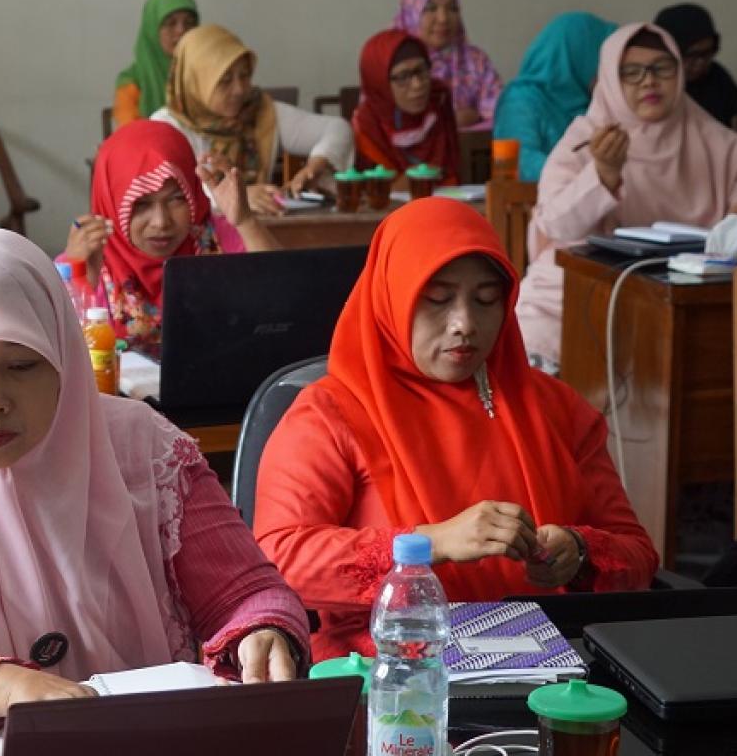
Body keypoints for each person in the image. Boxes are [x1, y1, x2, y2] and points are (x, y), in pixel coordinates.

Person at [0, 228, 312, 730]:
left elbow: (246, 591)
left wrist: (262, 630)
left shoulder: (144, 448)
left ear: (64, 359)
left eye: (21, 365)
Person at [253, 198, 659, 659]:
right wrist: (430, 543)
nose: (465, 324)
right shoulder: (331, 414)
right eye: (438, 300)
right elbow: (276, 558)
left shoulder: (555, 408)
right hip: (392, 677)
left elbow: (639, 554)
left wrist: (580, 552)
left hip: (545, 669)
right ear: (393, 297)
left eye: (487, 300)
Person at [516, 23, 737, 371]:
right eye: (631, 73)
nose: (648, 82)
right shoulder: (585, 139)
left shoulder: (721, 144)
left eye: (661, 69)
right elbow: (555, 226)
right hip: (593, 285)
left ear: (679, 72)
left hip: (687, 291)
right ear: (610, 80)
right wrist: (603, 175)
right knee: (540, 318)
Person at [63, 120, 278, 354]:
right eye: (141, 204)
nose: (161, 222)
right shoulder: (88, 254)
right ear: (111, 203)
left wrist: (246, 222)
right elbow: (62, 354)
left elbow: (282, 295)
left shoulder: (217, 236)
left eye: (176, 199)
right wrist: (81, 277)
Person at [152, 24, 355, 210]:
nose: (240, 89)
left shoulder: (260, 111)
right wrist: (235, 196)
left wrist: (315, 166)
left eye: (245, 75)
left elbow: (337, 129)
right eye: (225, 80)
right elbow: (170, 192)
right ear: (196, 82)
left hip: (257, 235)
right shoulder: (165, 128)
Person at [493, 12, 618, 182]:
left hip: (592, 200)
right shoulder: (521, 100)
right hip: (530, 203)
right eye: (603, 62)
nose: (609, 73)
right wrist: (589, 178)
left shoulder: (593, 103)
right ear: (578, 57)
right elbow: (523, 163)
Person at [353, 30, 460, 183]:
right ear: (380, 83)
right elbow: (371, 193)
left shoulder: (438, 101)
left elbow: (452, 173)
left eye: (421, 71)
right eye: (403, 77)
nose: (417, 85)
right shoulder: (368, 125)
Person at [391, 0, 502, 128]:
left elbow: (502, 113)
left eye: (452, 8)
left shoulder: (476, 61)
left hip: (470, 147)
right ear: (411, 13)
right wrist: (451, 121)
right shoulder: (391, 62)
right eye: (431, 8)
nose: (443, 18)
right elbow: (382, 123)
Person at [112, 0, 199, 128]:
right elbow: (131, 134)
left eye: (189, 23)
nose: (181, 30)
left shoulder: (208, 75)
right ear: (152, 30)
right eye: (171, 23)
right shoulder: (131, 81)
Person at [654, 3, 737, 134]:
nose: (701, 62)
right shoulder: (653, 85)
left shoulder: (718, 77)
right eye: (691, 55)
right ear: (668, 51)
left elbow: (735, 121)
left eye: (707, 53)